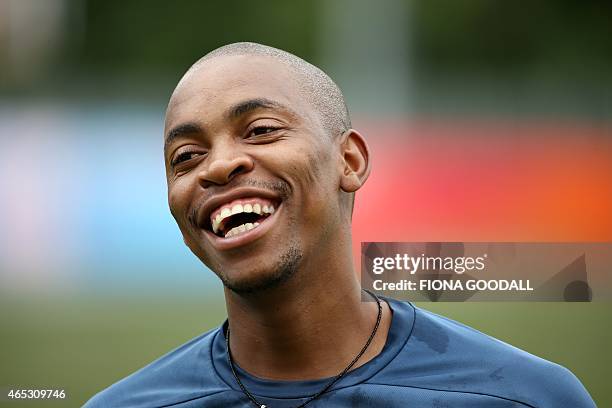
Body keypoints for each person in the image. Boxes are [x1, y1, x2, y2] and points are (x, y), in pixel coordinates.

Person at [85, 42, 595, 408]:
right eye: (187, 156)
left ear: (348, 160)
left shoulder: (526, 397)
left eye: (261, 130)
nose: (217, 167)